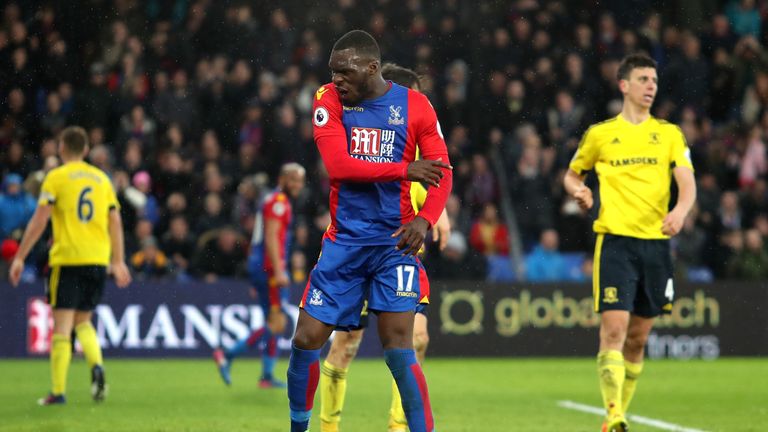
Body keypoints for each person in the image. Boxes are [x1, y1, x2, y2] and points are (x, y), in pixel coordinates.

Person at [287, 30, 451, 432]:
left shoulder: (415, 106)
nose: (336, 79)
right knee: (307, 339)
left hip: (394, 246)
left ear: (371, 68)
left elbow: (442, 173)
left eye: (344, 72)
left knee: (401, 350)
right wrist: (404, 168)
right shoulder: (328, 100)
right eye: (332, 71)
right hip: (344, 244)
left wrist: (424, 219)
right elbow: (339, 167)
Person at [563, 53, 696, 432]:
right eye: (643, 79)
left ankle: (617, 412)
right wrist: (580, 192)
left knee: (638, 340)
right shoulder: (601, 134)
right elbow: (572, 176)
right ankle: (614, 414)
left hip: (656, 245)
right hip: (616, 243)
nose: (651, 86)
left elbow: (686, 182)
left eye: (654, 80)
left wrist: (682, 211)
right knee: (615, 331)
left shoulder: (669, 134)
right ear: (624, 85)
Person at [8, 126, 132, 405]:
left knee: (62, 328)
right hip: (97, 260)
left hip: (68, 259)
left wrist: (19, 256)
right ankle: (97, 366)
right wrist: (118, 260)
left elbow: (40, 220)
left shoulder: (56, 178)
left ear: (61, 149)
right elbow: (115, 221)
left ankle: (58, 391)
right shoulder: (102, 179)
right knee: (84, 322)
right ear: (86, 150)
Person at [212, 163, 306, 388]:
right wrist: (279, 270)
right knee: (277, 322)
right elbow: (272, 238)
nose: (298, 185)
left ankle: (266, 376)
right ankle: (228, 353)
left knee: (273, 321)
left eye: (300, 181)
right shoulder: (279, 204)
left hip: (262, 268)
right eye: (293, 179)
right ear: (282, 179)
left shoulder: (273, 200)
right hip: (270, 269)